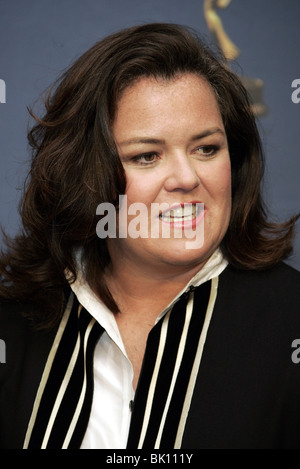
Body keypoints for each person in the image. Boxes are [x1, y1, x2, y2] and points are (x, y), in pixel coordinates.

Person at [0, 23, 299, 450]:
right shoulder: (14, 327)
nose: (185, 178)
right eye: (146, 156)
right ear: (86, 174)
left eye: (207, 148)